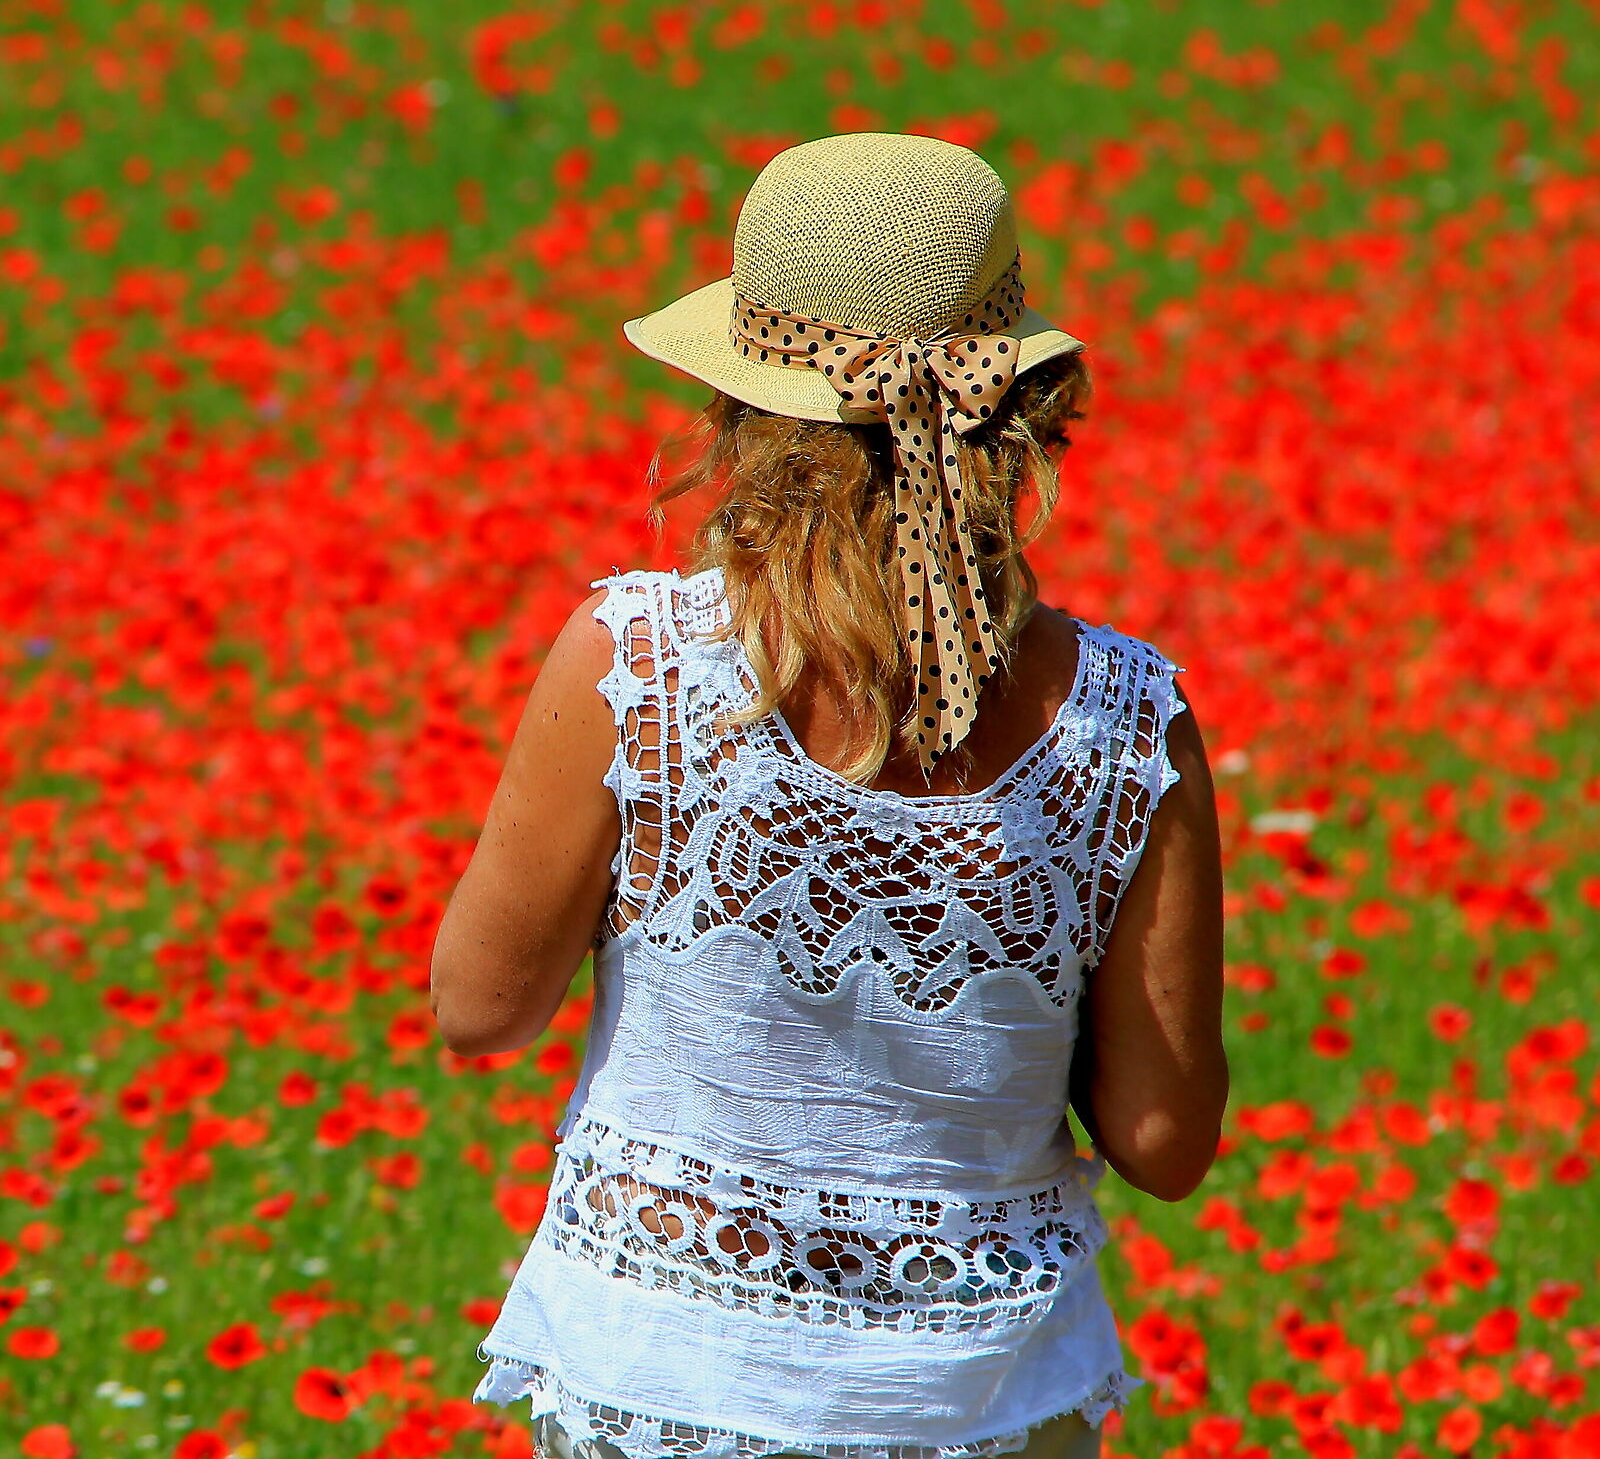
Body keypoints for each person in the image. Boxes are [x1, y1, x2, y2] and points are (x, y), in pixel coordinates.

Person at [428, 134, 1227, 1459]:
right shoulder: (1125, 720)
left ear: (740, 411)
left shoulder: (640, 666)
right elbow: (1164, 1139)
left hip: (672, 1381)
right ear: (1020, 410)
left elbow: (480, 1006)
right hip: (983, 1397)